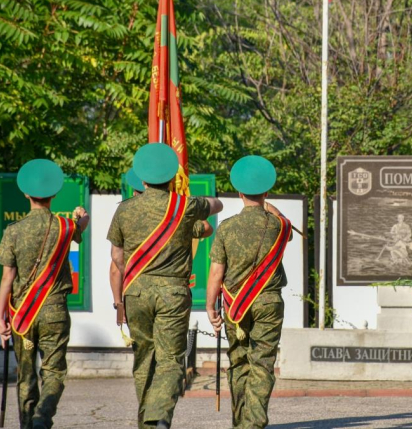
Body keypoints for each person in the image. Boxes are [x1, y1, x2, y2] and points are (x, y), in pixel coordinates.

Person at [107, 144, 222, 429]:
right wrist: (191, 199)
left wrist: (134, 280)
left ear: (142, 179)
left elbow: (117, 257)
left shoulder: (124, 210)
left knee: (144, 359)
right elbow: (217, 205)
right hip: (173, 293)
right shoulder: (184, 206)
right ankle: (158, 417)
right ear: (172, 177)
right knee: (170, 360)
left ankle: (148, 424)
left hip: (136, 291)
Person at [0, 159, 90, 429]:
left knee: (25, 376)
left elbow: (7, 277)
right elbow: (82, 225)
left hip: (23, 315)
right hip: (55, 313)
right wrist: (82, 215)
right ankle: (42, 417)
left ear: (26, 194)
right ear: (54, 194)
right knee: (54, 372)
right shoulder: (65, 227)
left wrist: (0, 317)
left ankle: (29, 424)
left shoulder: (14, 231)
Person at [206, 155, 293, 429]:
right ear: (266, 193)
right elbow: (287, 226)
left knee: (239, 363)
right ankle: (253, 424)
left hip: (235, 306)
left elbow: (216, 273)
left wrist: (210, 307)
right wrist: (269, 205)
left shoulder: (226, 227)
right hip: (268, 302)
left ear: (239, 194)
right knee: (262, 364)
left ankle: (241, 422)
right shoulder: (278, 226)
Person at [109, 168, 213, 309]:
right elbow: (207, 227)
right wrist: (183, 204)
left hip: (137, 293)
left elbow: (116, 264)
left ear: (136, 192)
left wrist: (119, 304)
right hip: (172, 294)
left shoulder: (126, 213)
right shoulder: (176, 214)